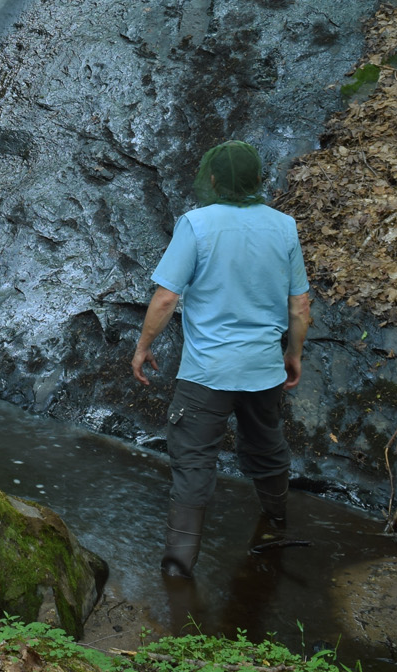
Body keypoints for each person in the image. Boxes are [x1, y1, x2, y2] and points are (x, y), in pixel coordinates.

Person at [131, 140, 312, 580]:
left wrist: (142, 346)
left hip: (206, 374)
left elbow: (167, 296)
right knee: (268, 447)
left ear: (213, 179)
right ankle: (276, 521)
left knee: (193, 460)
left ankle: (177, 567)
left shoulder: (196, 224)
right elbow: (300, 305)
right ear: (256, 180)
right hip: (263, 370)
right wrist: (293, 355)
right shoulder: (284, 227)